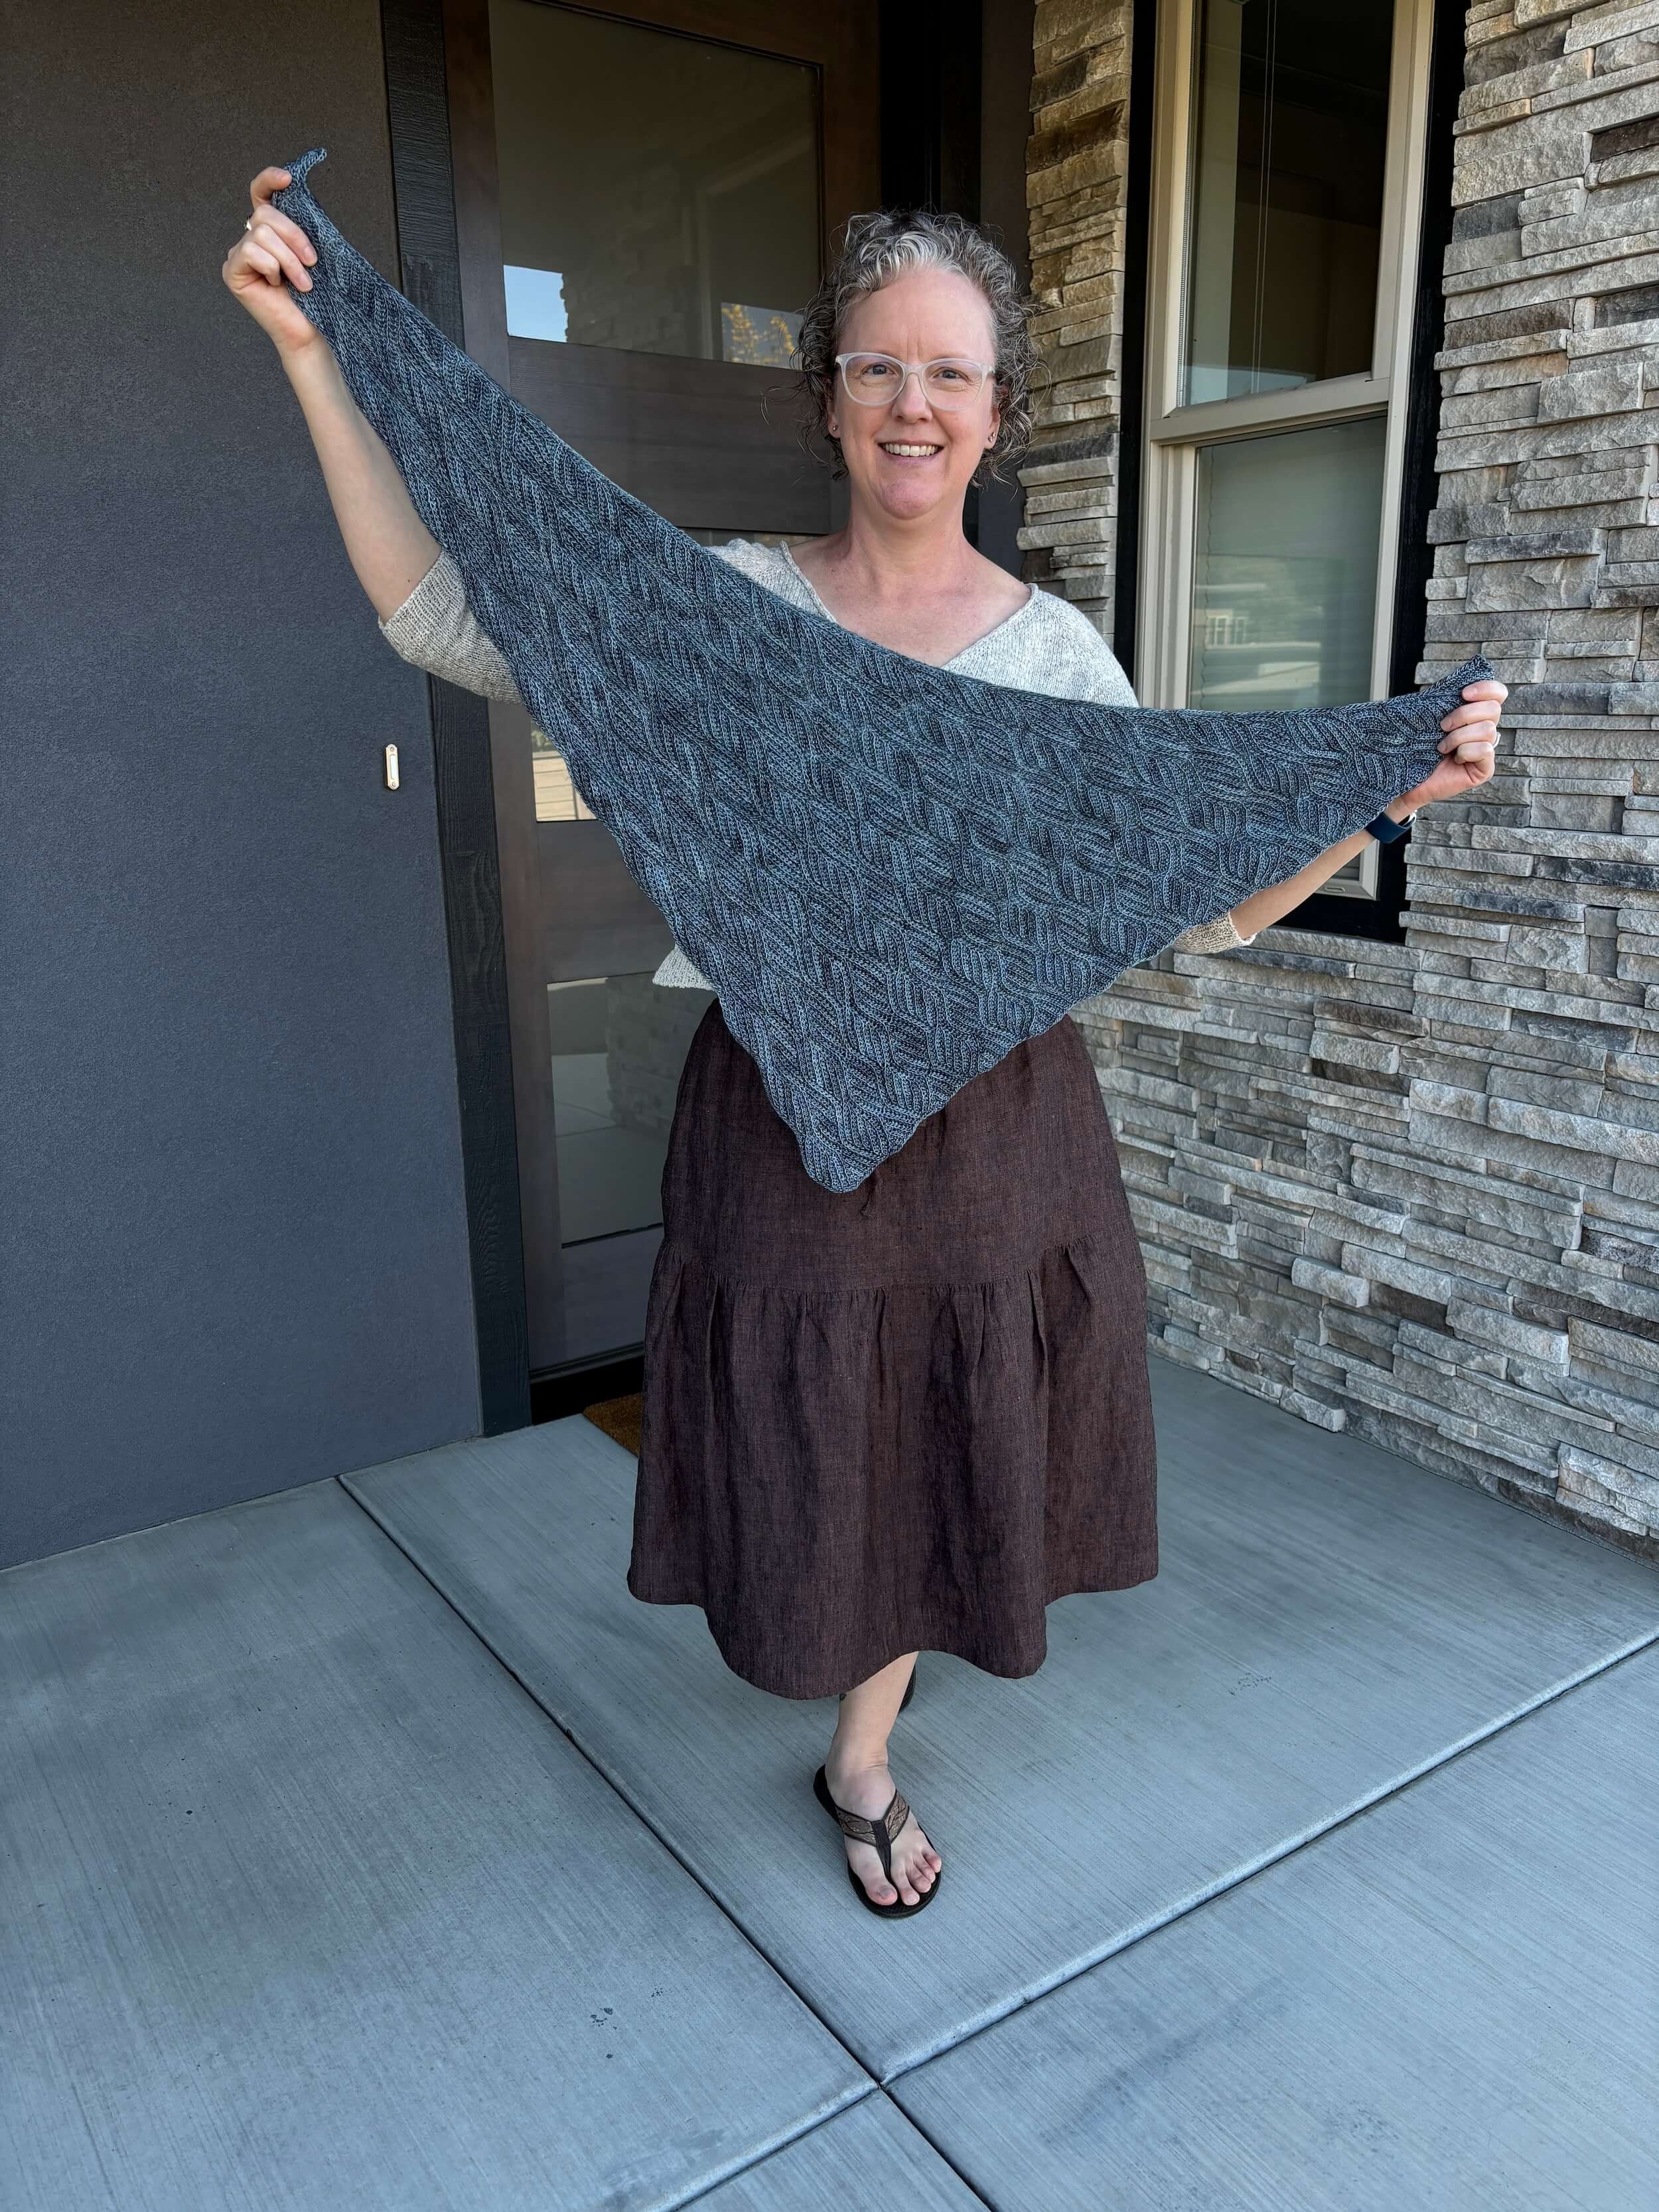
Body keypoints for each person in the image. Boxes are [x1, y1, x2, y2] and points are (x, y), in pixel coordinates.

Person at [224, 167, 1503, 1919]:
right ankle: (835, 1708)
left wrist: (1381, 796)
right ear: (828, 395)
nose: (914, 403)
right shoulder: (728, 612)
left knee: (951, 1427)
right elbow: (441, 616)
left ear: (992, 419)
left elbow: (1191, 908)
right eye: (880, 367)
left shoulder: (1052, 658)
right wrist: (311, 354)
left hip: (998, 1131)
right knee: (819, 1434)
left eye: (951, 375)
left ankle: (862, 1749)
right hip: (773, 1106)